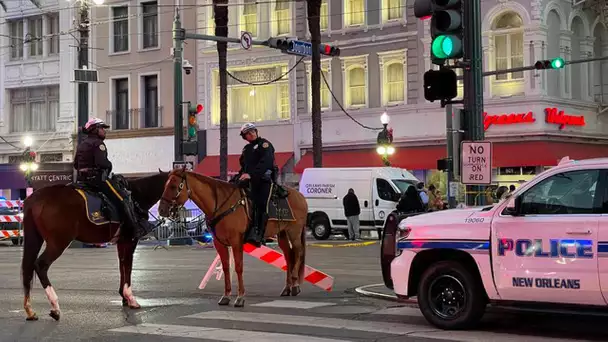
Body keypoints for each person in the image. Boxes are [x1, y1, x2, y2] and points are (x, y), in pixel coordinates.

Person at [73, 117, 145, 243]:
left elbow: (75, 165)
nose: (104, 131)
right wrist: (109, 165)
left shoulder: (82, 144)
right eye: (102, 128)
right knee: (123, 197)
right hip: (97, 180)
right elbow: (102, 163)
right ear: (95, 130)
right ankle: (133, 229)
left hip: (81, 181)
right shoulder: (98, 144)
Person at [235, 122, 276, 247]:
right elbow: (244, 167)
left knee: (260, 203)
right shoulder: (246, 150)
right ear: (244, 137)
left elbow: (266, 163)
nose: (251, 134)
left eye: (252, 131)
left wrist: (251, 175)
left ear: (256, 132)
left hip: (263, 180)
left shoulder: (265, 145)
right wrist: (239, 176)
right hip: (249, 181)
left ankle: (259, 234)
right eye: (247, 133)